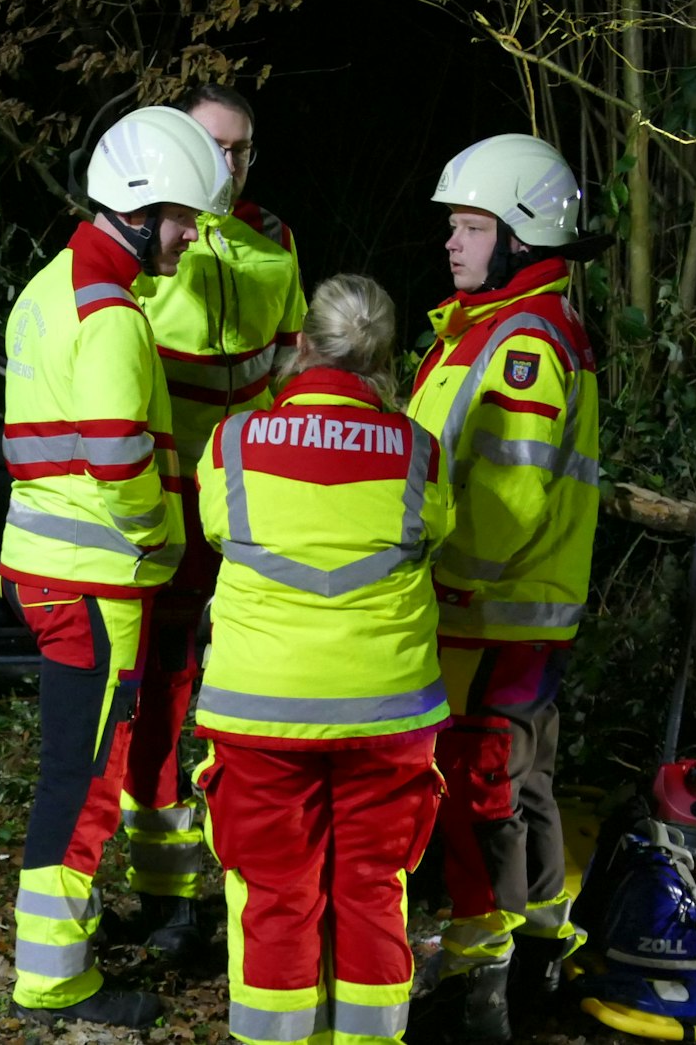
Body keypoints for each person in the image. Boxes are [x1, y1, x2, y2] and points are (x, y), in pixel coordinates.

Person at [0, 104, 233, 1027]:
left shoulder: (48, 289)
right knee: (85, 777)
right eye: (182, 218)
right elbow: (117, 454)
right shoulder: (112, 315)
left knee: (76, 766)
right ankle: (54, 979)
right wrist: (162, 539)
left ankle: (57, 958)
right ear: (138, 210)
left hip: (48, 568)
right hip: (96, 582)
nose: (190, 235)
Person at [193, 274, 454, 1045]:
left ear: (303, 343)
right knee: (372, 887)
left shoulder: (233, 441)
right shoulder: (420, 450)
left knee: (276, 890)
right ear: (384, 360)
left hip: (261, 708)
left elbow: (215, 526)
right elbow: (438, 530)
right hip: (388, 711)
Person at [405, 134, 600, 1042]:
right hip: (519, 612)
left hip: (490, 611)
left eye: (472, 226)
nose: (453, 240)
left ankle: (479, 982)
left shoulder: (522, 342)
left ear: (522, 236)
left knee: (474, 787)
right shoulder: (502, 326)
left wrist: (436, 578)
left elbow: (506, 499)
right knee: (522, 783)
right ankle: (541, 951)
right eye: (453, 224)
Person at [117, 83, 311, 952]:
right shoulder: (153, 241)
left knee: (255, 689)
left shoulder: (276, 242)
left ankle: (258, 875)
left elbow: (294, 370)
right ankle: (164, 889)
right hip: (169, 503)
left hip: (255, 508)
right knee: (162, 689)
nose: (227, 164)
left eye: (240, 149)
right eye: (212, 146)